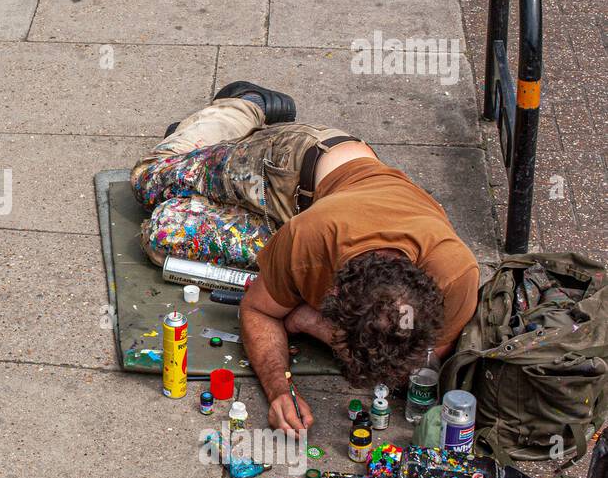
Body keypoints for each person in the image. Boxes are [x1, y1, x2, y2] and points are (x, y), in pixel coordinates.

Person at [131, 82, 480, 432]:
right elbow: (257, 309)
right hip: (290, 168)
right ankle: (244, 107)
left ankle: (210, 173)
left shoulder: (455, 275)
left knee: (163, 231)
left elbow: (426, 359)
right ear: (334, 292)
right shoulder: (312, 241)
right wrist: (279, 386)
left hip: (310, 217)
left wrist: (306, 322)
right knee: (148, 183)